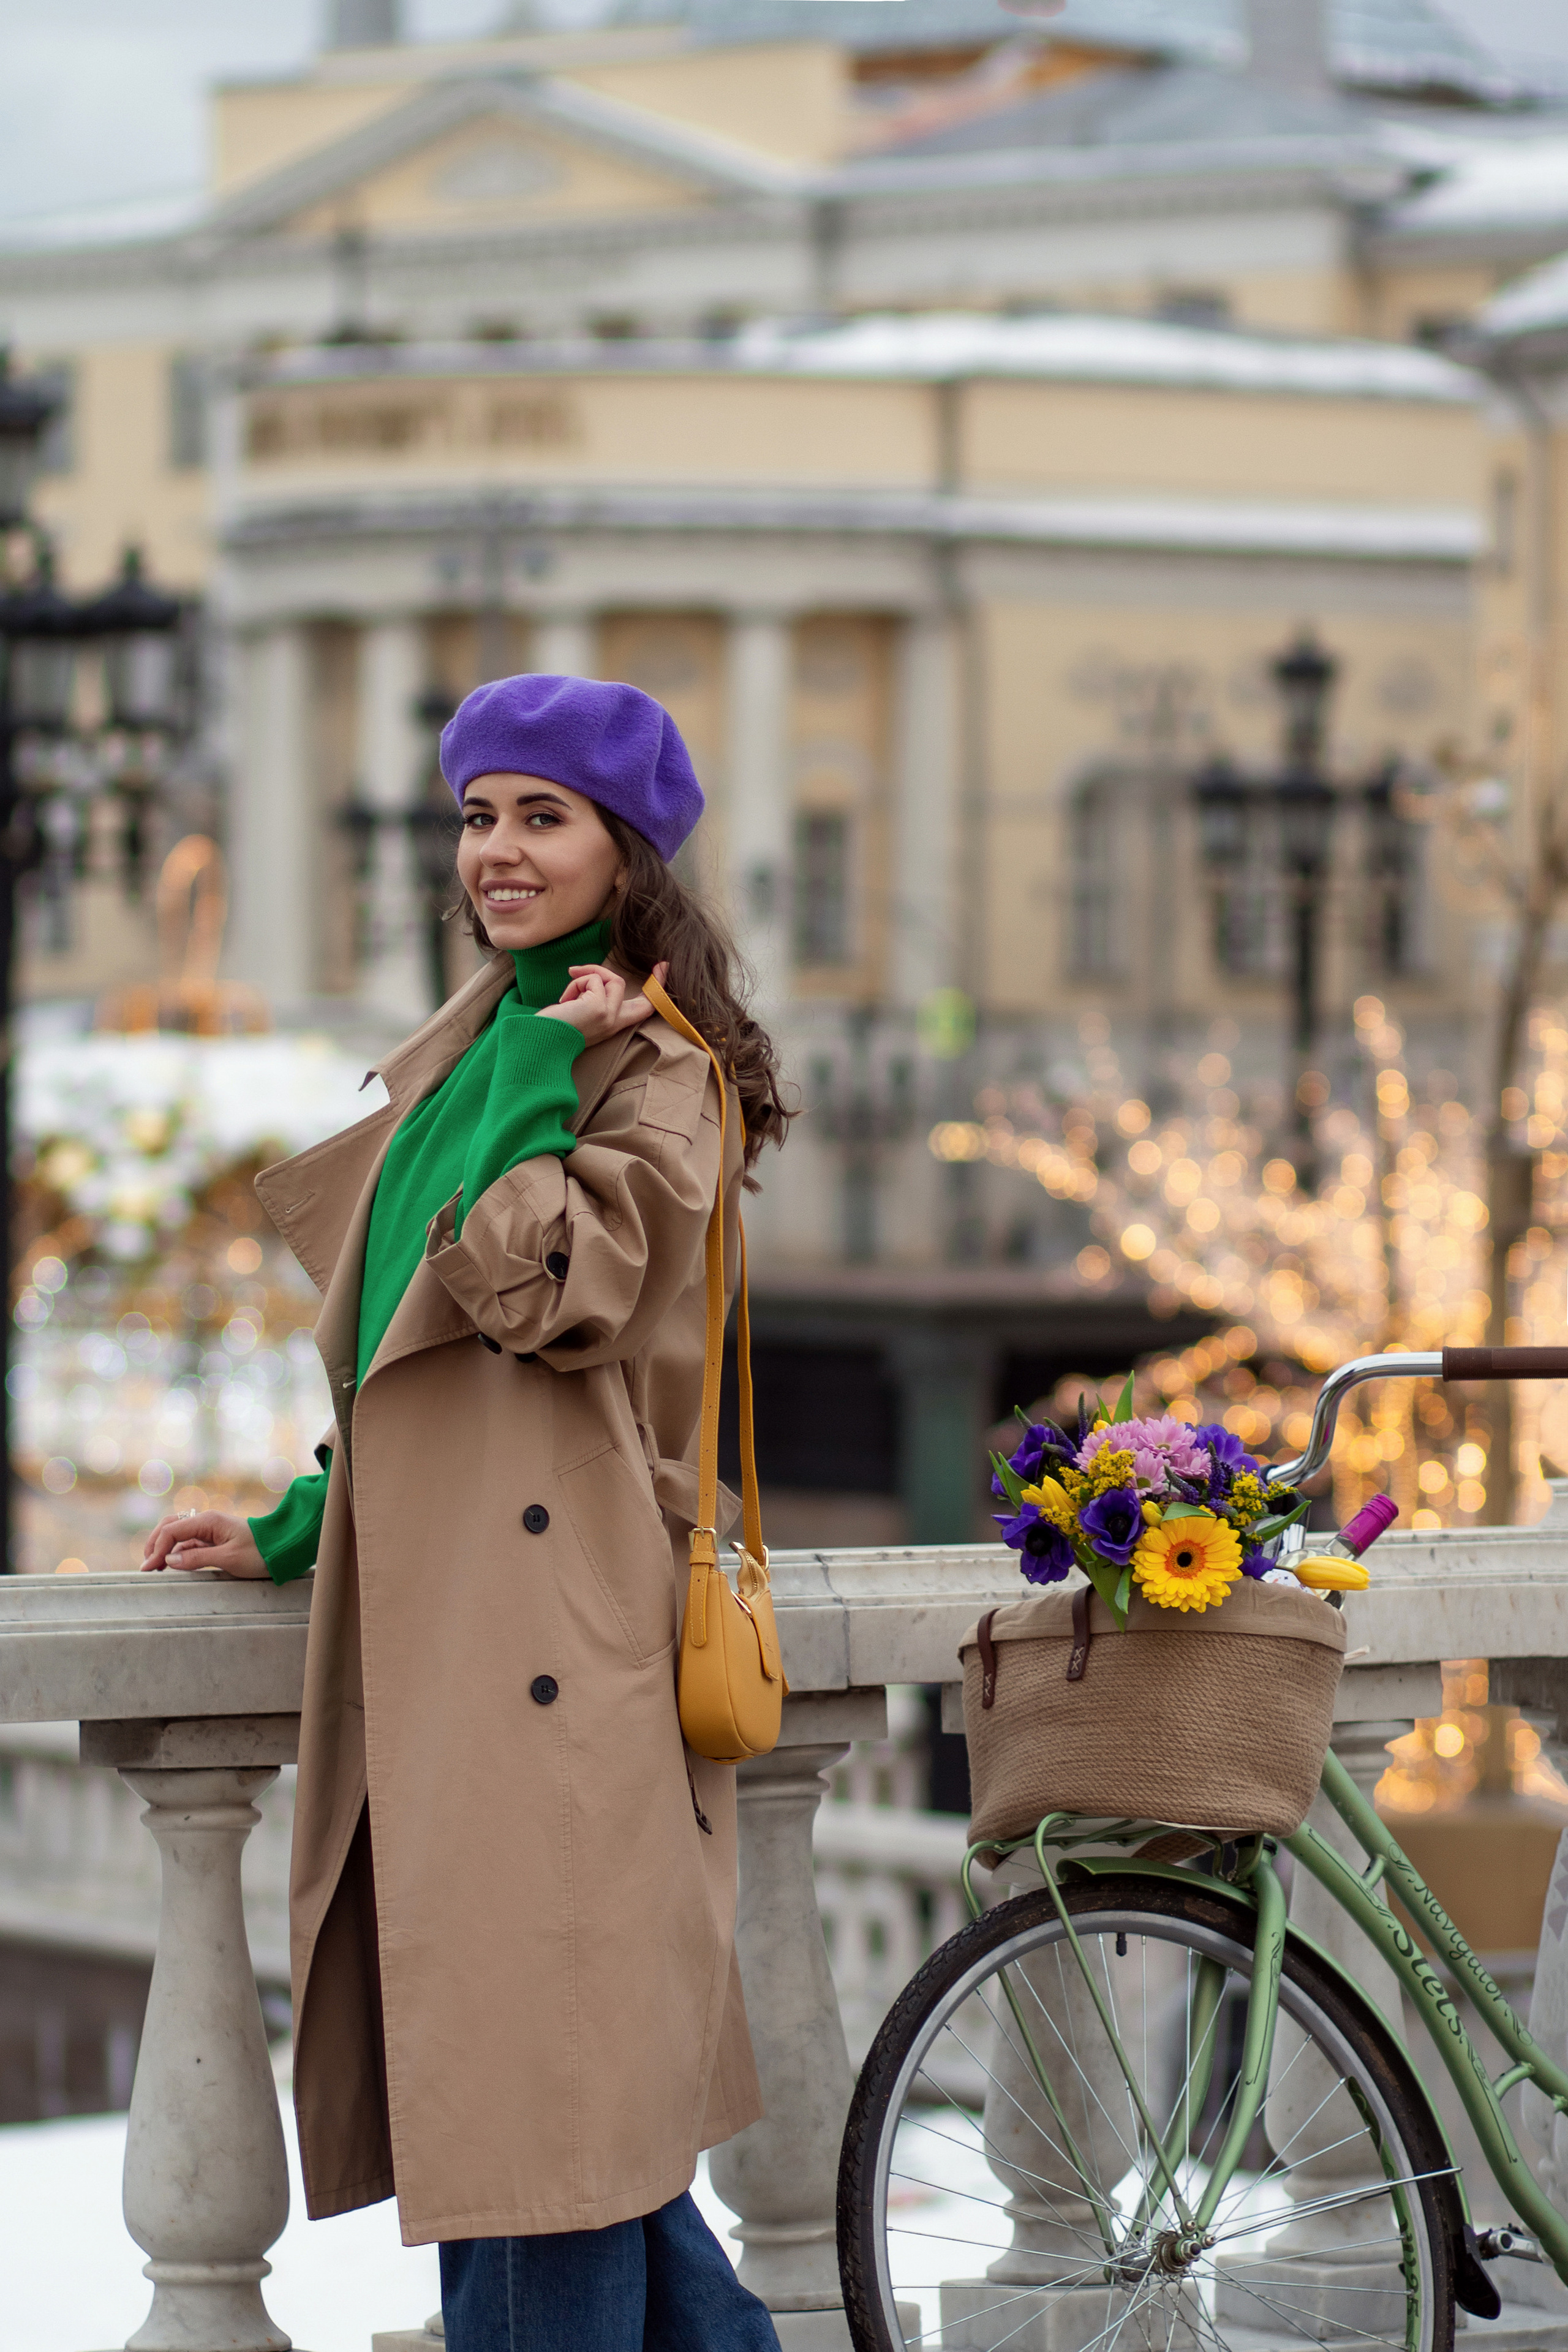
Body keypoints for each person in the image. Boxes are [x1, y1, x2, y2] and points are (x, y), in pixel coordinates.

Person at [141, 673, 792, 2352]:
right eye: (479, 814)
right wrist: (295, 1528)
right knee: (558, 2133)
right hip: (458, 1653)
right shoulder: (487, 1047)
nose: (497, 851)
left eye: (542, 817)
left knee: (548, 2143)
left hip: (559, 1657)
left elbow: (538, 1296)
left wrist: (531, 1067)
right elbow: (403, 1363)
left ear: (626, 851)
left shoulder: (651, 1078)